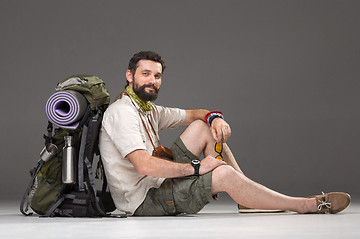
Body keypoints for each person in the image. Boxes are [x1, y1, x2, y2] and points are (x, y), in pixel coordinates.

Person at [99, 51, 351, 216]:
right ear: (129, 76)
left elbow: (196, 114)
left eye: (157, 76)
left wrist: (214, 117)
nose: (152, 81)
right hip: (141, 201)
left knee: (202, 128)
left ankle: (247, 198)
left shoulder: (147, 109)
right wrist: (198, 168)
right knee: (223, 173)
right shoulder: (122, 112)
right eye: (146, 74)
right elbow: (143, 166)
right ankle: (305, 205)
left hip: (157, 183)